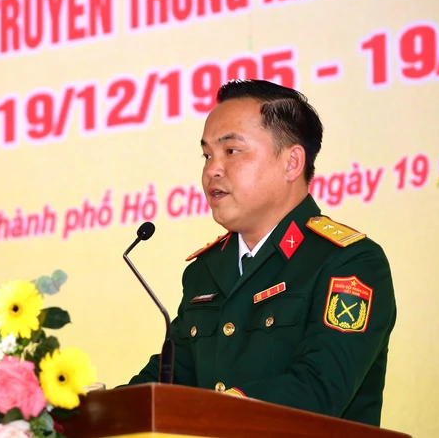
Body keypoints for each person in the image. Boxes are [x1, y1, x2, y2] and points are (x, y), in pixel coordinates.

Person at [126, 79, 397, 428]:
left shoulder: (348, 263)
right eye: (207, 155)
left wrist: (209, 411)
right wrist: (89, 411)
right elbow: (170, 380)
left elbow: (317, 390)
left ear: (292, 163)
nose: (212, 170)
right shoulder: (205, 271)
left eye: (231, 151)